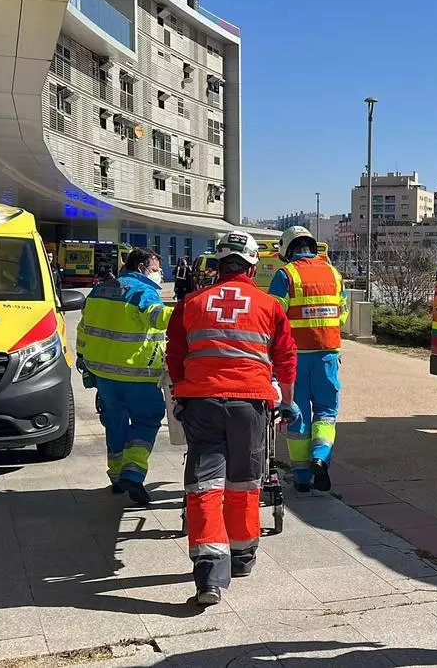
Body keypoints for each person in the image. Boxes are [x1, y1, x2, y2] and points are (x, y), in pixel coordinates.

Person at [166, 230, 300, 606]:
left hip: (202, 404)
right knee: (244, 482)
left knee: (205, 485)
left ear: (218, 263)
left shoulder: (191, 303)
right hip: (250, 406)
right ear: (253, 265)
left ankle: (209, 574)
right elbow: (286, 357)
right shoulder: (269, 305)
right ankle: (242, 556)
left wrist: (181, 392)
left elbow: (175, 355)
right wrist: (286, 400)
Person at [76, 248, 171, 504]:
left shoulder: (100, 290)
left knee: (114, 421)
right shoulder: (142, 291)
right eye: (156, 268)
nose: (159, 274)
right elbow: (159, 318)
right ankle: (133, 471)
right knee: (147, 418)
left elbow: (83, 328)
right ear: (141, 267)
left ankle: (116, 477)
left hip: (103, 374)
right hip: (137, 374)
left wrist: (82, 357)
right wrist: (189, 311)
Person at [267, 225, 348, 492]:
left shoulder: (286, 274)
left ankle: (301, 478)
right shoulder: (334, 274)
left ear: (287, 250)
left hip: (295, 357)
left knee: (297, 414)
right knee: (326, 412)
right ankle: (320, 458)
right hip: (327, 354)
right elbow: (343, 314)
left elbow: (274, 320)